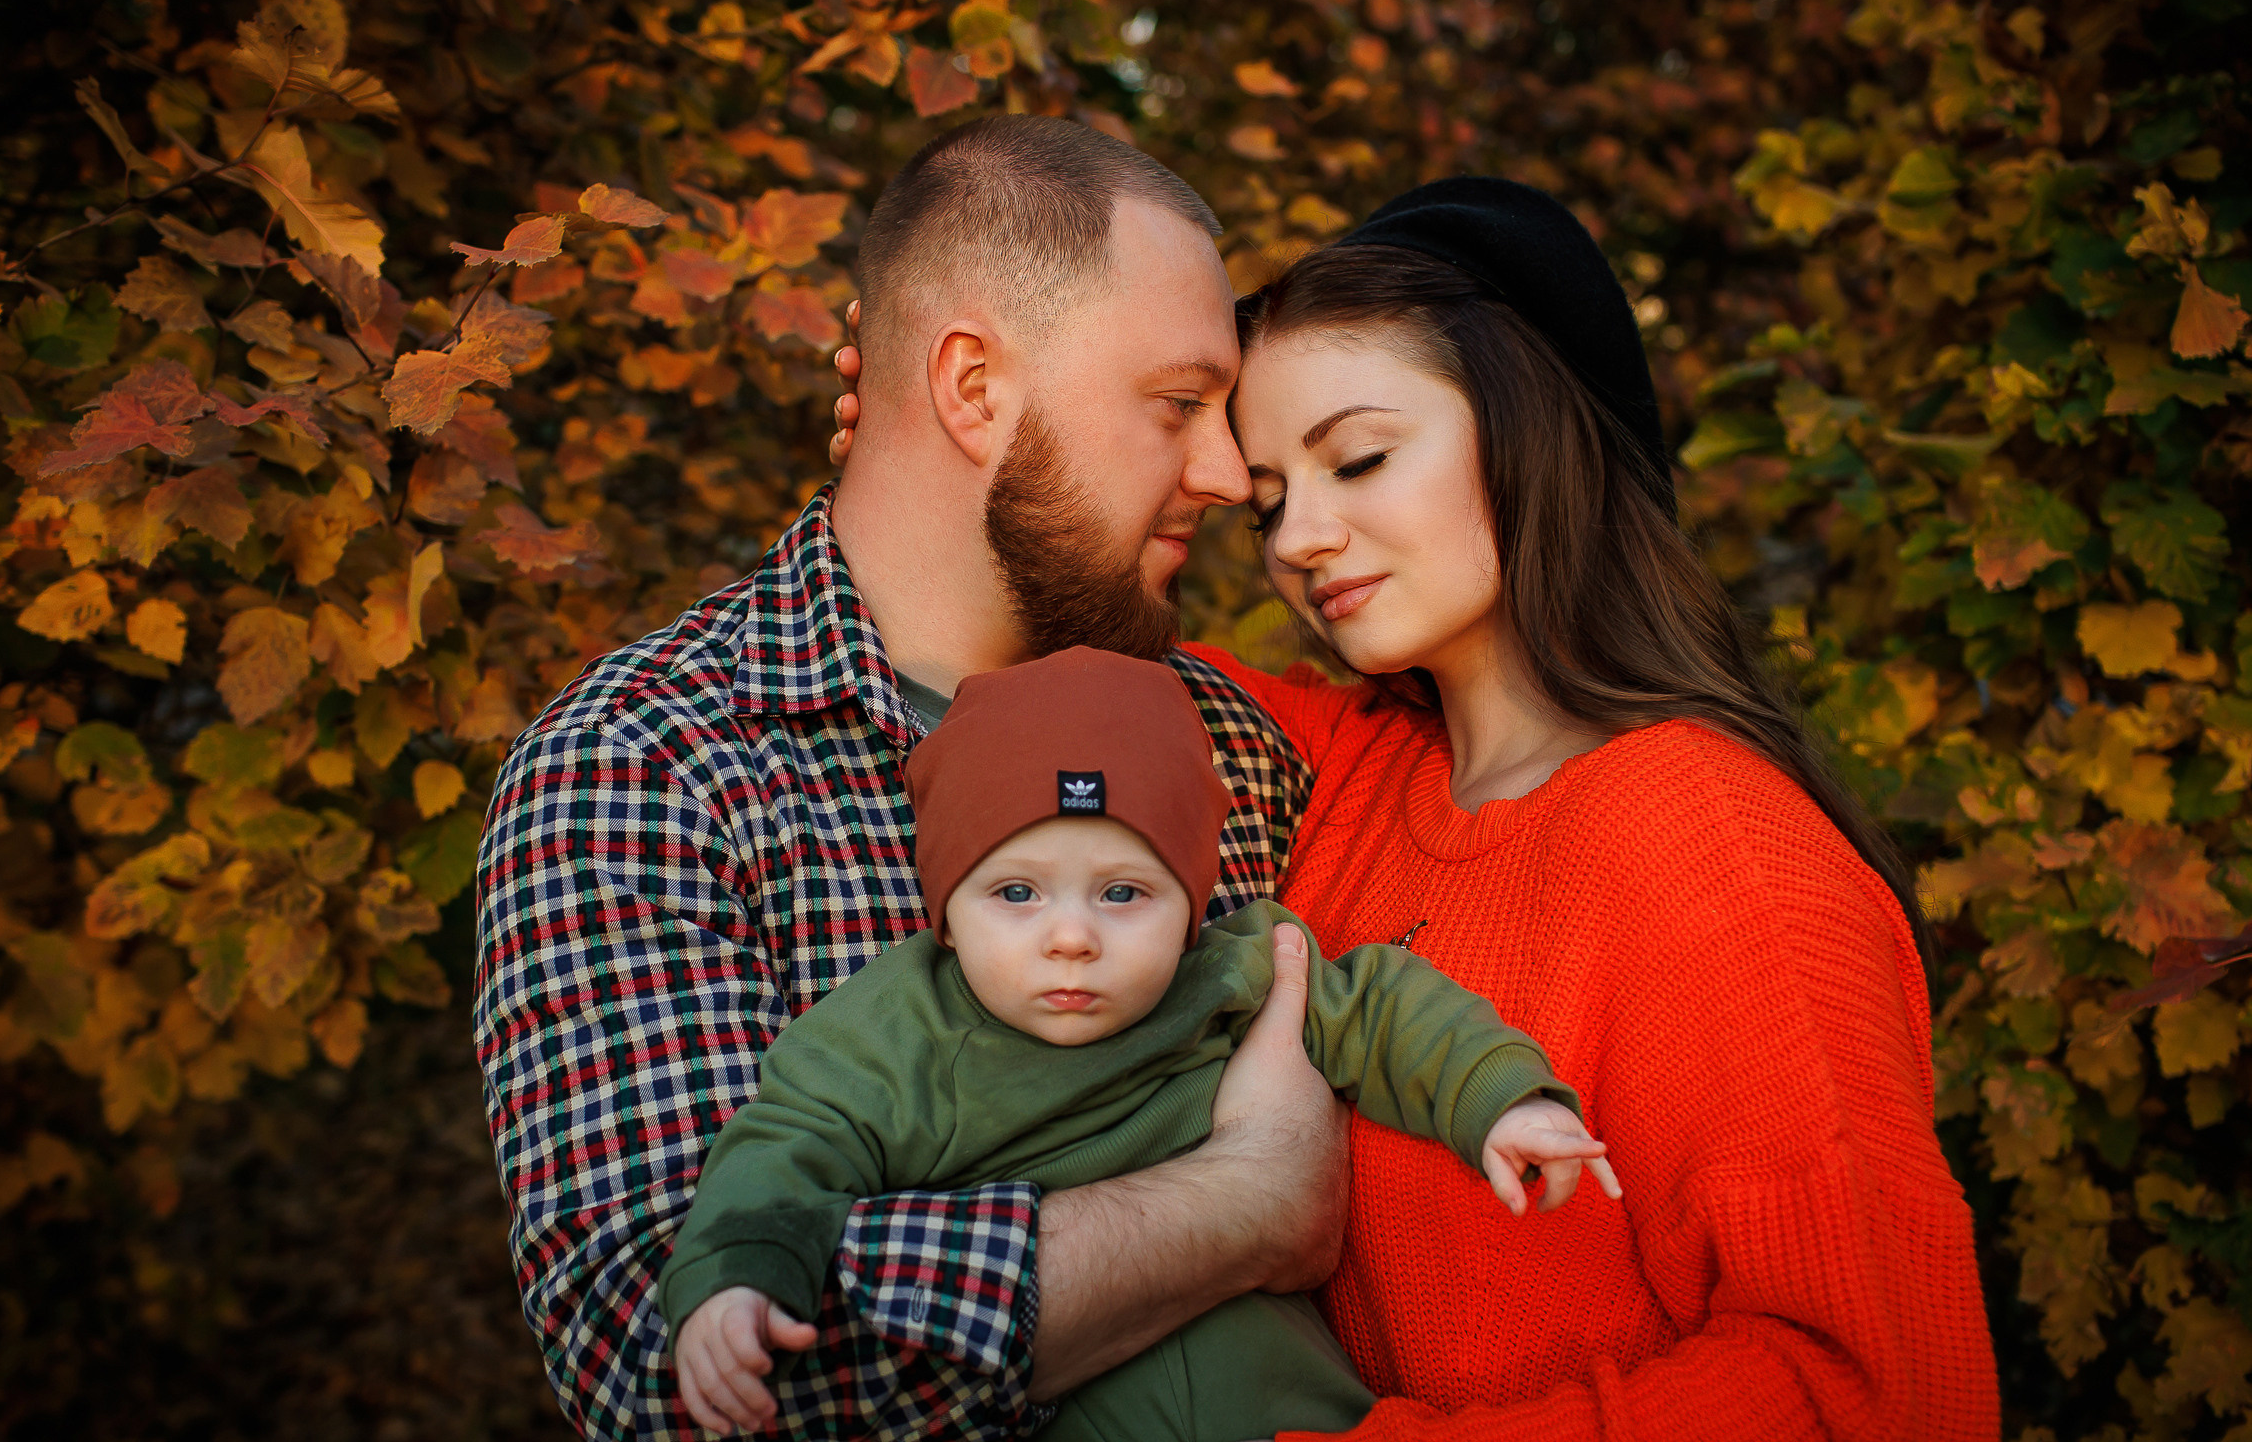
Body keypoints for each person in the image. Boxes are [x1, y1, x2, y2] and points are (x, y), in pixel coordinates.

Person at [825, 176, 1999, 1437]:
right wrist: (949, 437)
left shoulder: (1717, 844)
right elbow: (1025, 604)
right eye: (1271, 499)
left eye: (1362, 457)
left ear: (1529, 424)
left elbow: (1881, 1392)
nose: (1300, 540)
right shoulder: (1340, 769)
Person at [474, 115, 1356, 1441]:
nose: (1232, 476)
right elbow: (675, 1367)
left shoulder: (1232, 741)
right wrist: (1243, 1206)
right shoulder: (652, 762)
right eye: (1178, 405)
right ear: (972, 389)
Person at [661, 648, 1618, 1440]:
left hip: (1296, 1412)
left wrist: (1502, 1098)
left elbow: (1384, 1004)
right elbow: (783, 1153)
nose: (1071, 935)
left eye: (1124, 893)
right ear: (945, 911)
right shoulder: (895, 1034)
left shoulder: (1230, 971)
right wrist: (739, 1278)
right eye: (1017, 893)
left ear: (1192, 905)